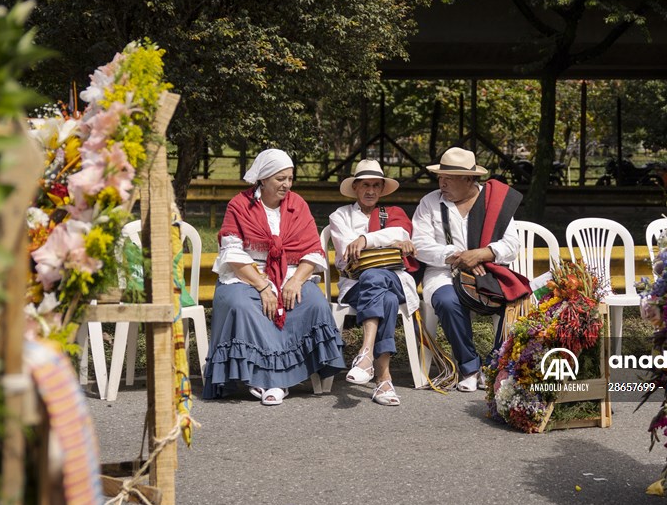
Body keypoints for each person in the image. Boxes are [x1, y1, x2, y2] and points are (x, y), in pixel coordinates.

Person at [203, 148, 346, 405]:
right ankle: (265, 379)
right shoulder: (239, 205)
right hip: (247, 273)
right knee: (241, 305)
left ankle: (284, 377)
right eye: (281, 178)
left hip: (290, 272)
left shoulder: (297, 205)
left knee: (312, 302)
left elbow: (313, 250)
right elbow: (233, 253)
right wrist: (262, 286)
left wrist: (295, 280)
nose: (287, 184)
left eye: (290, 178)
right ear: (264, 179)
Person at [411, 147, 528, 392]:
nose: (442, 182)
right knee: (446, 299)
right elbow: (419, 245)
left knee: (513, 302)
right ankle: (469, 367)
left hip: (487, 270)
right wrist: (456, 256)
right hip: (443, 271)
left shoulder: (494, 202)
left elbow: (511, 244)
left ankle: (494, 366)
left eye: (449, 178)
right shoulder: (430, 202)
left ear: (469, 179)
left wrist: (481, 254)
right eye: (440, 177)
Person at [328, 159, 420, 406]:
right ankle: (384, 379)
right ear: (355, 187)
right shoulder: (339, 216)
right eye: (365, 185)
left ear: (381, 189)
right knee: (383, 294)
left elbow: (401, 234)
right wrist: (387, 241)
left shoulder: (394, 213)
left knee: (374, 276)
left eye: (376, 186)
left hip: (395, 279)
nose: (371, 191)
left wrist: (365, 239)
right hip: (355, 284)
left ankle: (365, 353)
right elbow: (349, 255)